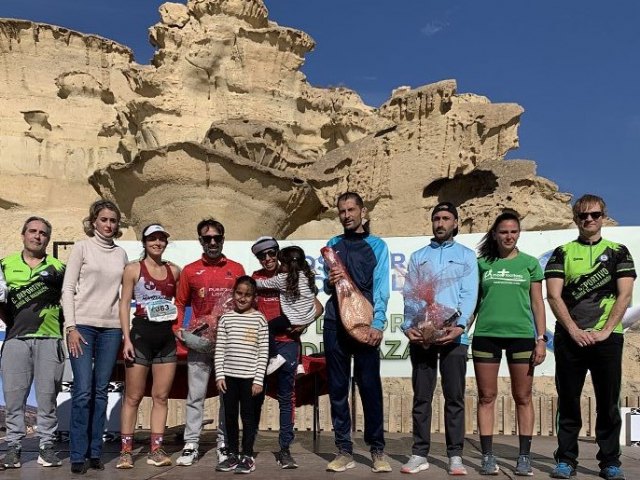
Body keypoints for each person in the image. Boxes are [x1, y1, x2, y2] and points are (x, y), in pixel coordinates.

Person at [545, 194, 635, 480]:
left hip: (607, 338)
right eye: (583, 216)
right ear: (575, 220)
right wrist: (573, 331)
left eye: (594, 215)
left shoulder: (619, 251)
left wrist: (606, 331)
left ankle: (610, 462)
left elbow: (625, 294)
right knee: (568, 400)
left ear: (603, 216)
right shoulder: (562, 252)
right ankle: (566, 460)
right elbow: (554, 295)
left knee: (608, 402)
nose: (589, 220)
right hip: (570, 338)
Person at [401, 201, 478, 476]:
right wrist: (409, 326)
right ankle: (419, 453)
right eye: (436, 218)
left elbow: (470, 295)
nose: (440, 223)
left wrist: (460, 327)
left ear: (456, 223)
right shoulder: (419, 256)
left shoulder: (467, 255)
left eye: (446, 218)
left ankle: (455, 456)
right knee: (422, 397)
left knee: (454, 397)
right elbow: (410, 295)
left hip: (454, 336)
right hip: (423, 335)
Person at [472, 211, 546, 476]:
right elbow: (474, 304)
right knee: (486, 397)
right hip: (486, 335)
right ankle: (487, 457)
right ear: (495, 234)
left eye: (513, 231)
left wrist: (541, 339)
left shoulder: (530, 264)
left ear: (519, 233)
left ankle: (524, 457)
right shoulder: (482, 263)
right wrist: (461, 334)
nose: (509, 236)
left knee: (523, 397)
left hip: (522, 336)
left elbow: (538, 303)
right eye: (503, 231)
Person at [323, 191, 392, 473]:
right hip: (334, 323)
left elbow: (381, 288)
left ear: (362, 211)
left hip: (365, 325)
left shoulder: (377, 246)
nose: (347, 215)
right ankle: (344, 450)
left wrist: (377, 324)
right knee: (338, 390)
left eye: (352, 210)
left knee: (370, 388)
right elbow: (329, 287)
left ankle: (377, 451)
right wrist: (329, 282)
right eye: (342, 211)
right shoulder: (332, 245)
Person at [61, 200, 128, 474]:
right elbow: (67, 289)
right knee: (83, 391)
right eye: (103, 220)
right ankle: (77, 454)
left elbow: (125, 296)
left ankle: (95, 452)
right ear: (94, 221)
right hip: (83, 327)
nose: (108, 225)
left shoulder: (121, 253)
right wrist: (71, 326)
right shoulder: (82, 247)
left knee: (101, 392)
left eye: (113, 220)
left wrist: (125, 330)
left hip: (111, 329)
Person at [174, 218, 245, 466]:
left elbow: (244, 303)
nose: (212, 242)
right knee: (196, 395)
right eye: (207, 239)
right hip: (200, 342)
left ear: (223, 239)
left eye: (217, 238)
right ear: (200, 241)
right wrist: (178, 328)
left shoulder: (236, 269)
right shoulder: (190, 270)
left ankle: (225, 443)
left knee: (228, 395)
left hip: (229, 342)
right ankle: (191, 443)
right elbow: (180, 303)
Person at [0, 217, 65, 469]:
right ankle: (14, 447)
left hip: (50, 338)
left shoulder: (60, 267)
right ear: (23, 234)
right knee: (14, 397)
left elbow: (68, 303)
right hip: (16, 339)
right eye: (33, 231)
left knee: (48, 396)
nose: (37, 236)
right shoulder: (5, 265)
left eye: (43, 233)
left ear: (48, 239)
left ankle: (46, 446)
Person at [116, 224, 181, 469]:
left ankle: (156, 449)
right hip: (141, 335)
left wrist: (182, 328)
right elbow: (124, 305)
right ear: (144, 242)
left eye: (161, 239)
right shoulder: (133, 269)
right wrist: (127, 339)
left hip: (165, 338)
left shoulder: (174, 271)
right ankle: (126, 451)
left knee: (161, 397)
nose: (157, 243)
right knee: (133, 397)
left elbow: (181, 303)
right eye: (152, 239)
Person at [214, 276, 269, 474]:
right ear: (233, 293)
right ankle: (232, 455)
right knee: (229, 417)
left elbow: (263, 352)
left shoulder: (260, 319)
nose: (242, 298)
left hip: (249, 380)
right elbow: (219, 349)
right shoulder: (226, 318)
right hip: (228, 379)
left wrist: (258, 379)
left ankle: (247, 455)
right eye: (239, 293)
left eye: (247, 295)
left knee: (248, 417)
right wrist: (219, 375)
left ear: (254, 297)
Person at [255, 245, 322, 375]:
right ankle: (300, 364)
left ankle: (274, 357)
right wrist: (305, 324)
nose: (280, 266)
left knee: (266, 328)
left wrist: (247, 281)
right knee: (296, 337)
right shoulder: (307, 275)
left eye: (282, 263)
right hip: (305, 318)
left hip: (291, 319)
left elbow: (262, 284)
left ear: (288, 265)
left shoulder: (282, 279)